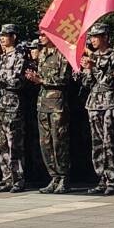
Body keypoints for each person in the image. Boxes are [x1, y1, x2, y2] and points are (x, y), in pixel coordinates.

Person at [78, 24, 114, 195]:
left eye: (96, 36)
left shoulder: (113, 56)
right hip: (93, 104)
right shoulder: (92, 56)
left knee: (109, 142)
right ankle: (101, 178)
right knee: (97, 143)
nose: (92, 40)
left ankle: (112, 180)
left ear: (105, 37)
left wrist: (94, 68)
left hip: (108, 104)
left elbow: (110, 82)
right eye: (91, 37)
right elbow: (87, 84)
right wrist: (86, 70)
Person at [29, 33, 71, 194]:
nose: (40, 38)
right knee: (45, 143)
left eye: (43, 35)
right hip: (42, 104)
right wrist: (35, 78)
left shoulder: (62, 54)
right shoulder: (42, 54)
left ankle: (64, 177)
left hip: (57, 105)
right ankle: (54, 177)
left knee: (59, 142)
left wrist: (42, 80)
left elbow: (64, 79)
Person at [0, 24, 28, 192]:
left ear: (14, 37)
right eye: (1, 35)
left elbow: (18, 81)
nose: (2, 38)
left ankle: (18, 179)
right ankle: (7, 178)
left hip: (12, 105)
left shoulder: (19, 57)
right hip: (0, 105)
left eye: (5, 35)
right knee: (1, 144)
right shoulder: (1, 58)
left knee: (14, 144)